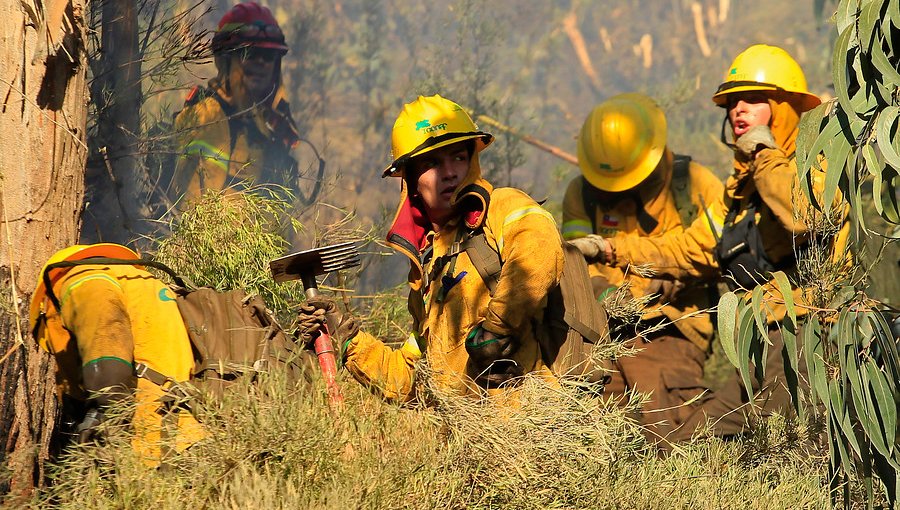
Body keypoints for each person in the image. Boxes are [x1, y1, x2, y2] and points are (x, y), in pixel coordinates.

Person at [570, 44, 850, 440]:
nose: (738, 110)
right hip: (761, 342)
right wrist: (609, 248)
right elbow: (688, 249)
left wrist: (764, 152)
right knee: (695, 444)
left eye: (753, 100)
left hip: (811, 338)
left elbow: (803, 214)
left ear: (784, 109)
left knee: (765, 451)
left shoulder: (821, 164)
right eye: (733, 103)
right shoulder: (737, 194)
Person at [296, 94, 565, 402]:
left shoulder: (503, 207)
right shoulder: (430, 270)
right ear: (409, 178)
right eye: (432, 162)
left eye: (459, 157)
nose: (449, 172)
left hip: (528, 429)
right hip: (467, 442)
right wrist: (346, 339)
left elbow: (539, 252)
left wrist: (497, 330)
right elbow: (415, 379)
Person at [563, 93, 724, 444]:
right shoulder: (581, 194)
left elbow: (720, 253)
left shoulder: (695, 186)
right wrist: (606, 295)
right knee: (599, 415)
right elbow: (574, 264)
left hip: (675, 327)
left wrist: (678, 278)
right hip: (603, 330)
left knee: (663, 418)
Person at [29, 244, 205, 465]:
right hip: (191, 430)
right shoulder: (141, 283)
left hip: (152, 440)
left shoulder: (82, 280)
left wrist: (104, 414)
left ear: (47, 305)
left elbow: (107, 334)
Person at [168, 2, 301, 205]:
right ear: (225, 59)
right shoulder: (208, 117)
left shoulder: (263, 123)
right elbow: (192, 212)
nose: (261, 63)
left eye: (268, 56)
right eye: (250, 54)